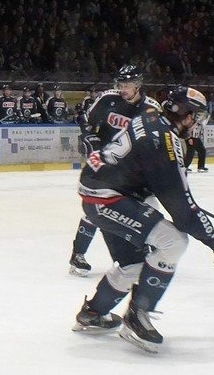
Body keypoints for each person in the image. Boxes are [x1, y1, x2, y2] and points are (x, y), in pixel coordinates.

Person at [72, 86, 214, 352]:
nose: (196, 123)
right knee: (174, 242)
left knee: (134, 264)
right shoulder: (164, 143)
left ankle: (93, 313)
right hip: (107, 197)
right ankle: (137, 319)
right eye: (195, 116)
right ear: (182, 113)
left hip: (101, 191)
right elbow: (183, 211)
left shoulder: (151, 116)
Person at [68, 65, 162, 275]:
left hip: (133, 172)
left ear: (138, 85)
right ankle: (78, 254)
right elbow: (86, 121)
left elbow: (159, 141)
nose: (122, 88)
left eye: (126, 84)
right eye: (120, 83)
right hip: (103, 166)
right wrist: (89, 139)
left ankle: (141, 251)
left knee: (147, 209)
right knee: (96, 209)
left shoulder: (152, 109)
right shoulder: (107, 99)